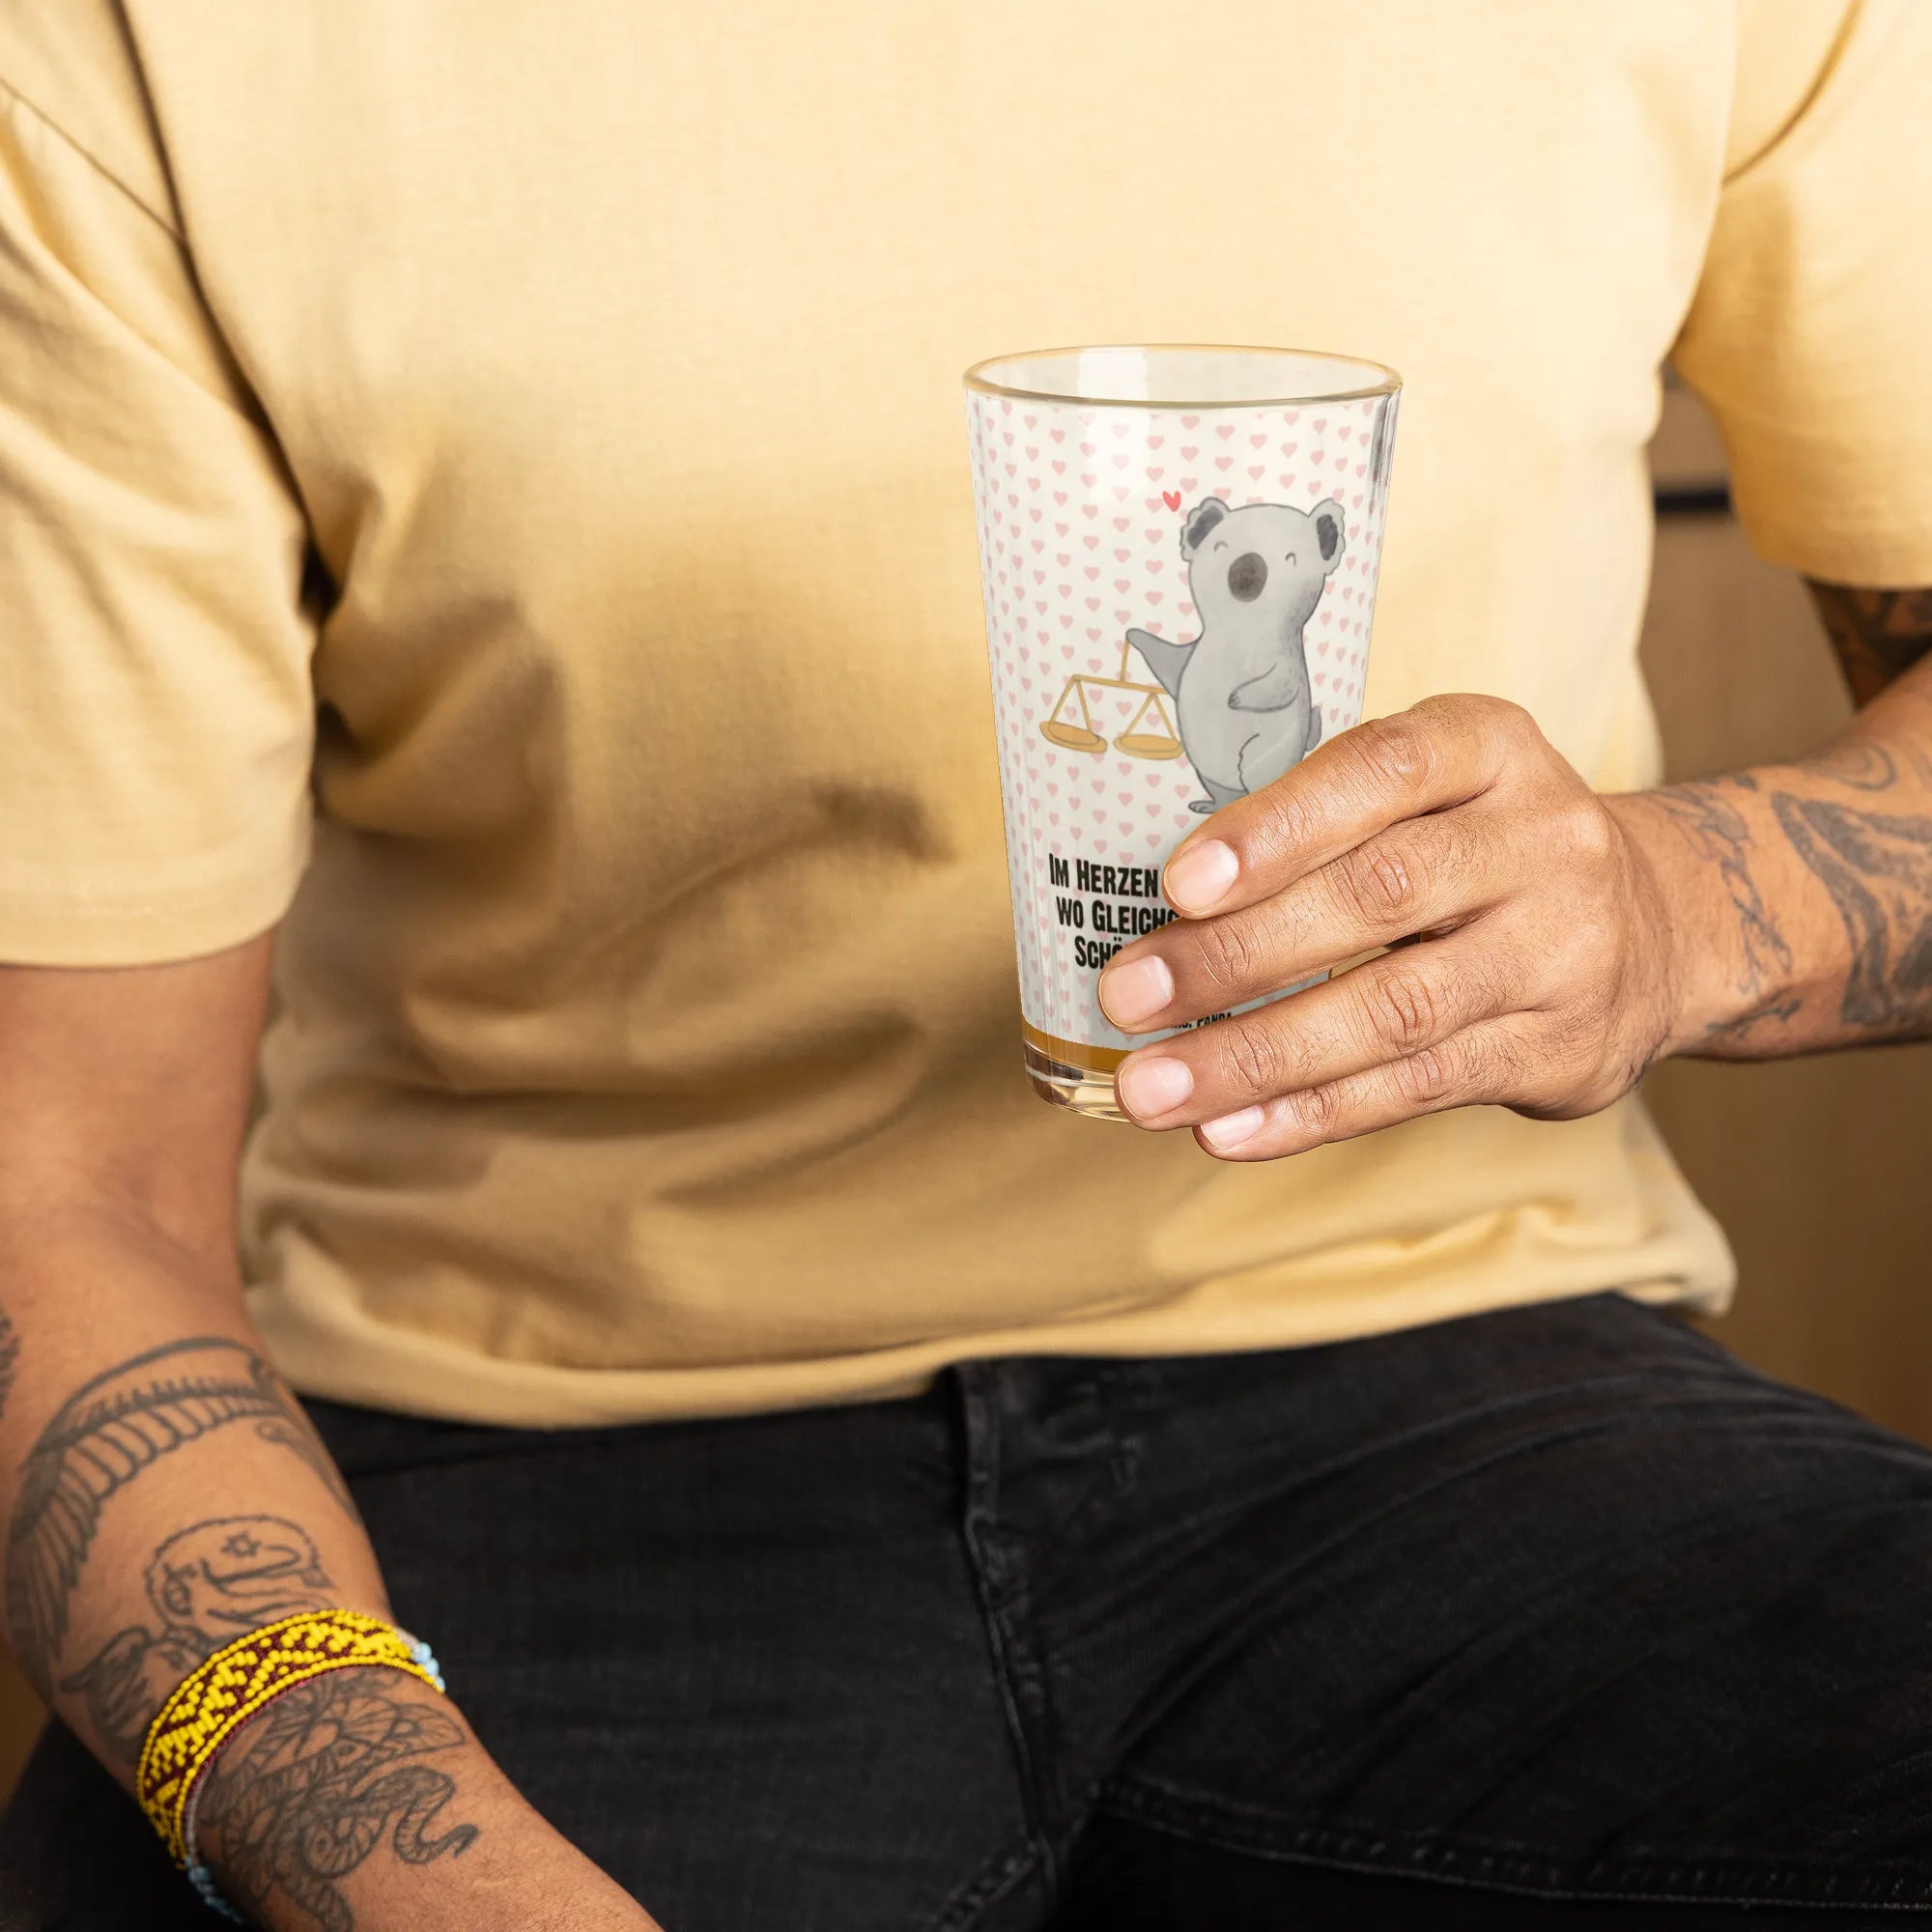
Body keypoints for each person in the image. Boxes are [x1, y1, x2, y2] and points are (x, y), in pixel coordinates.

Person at [0, 2, 1929, 1926]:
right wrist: (406, 1857)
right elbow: (66, 1182)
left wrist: (1673, 905)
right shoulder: (146, 47)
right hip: (512, 1435)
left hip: (1471, 1360)